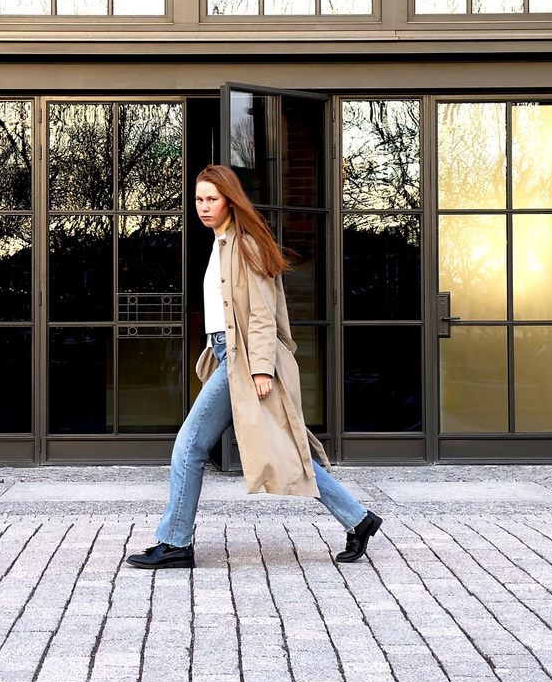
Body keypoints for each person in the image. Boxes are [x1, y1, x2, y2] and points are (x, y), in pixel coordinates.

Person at [125, 165, 386, 570]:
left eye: (212, 198)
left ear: (230, 199)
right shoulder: (221, 243)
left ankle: (175, 542)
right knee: (286, 446)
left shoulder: (246, 245)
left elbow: (262, 316)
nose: (204, 207)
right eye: (199, 199)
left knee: (189, 447)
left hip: (244, 361)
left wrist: (261, 369)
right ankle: (358, 518)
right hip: (228, 356)